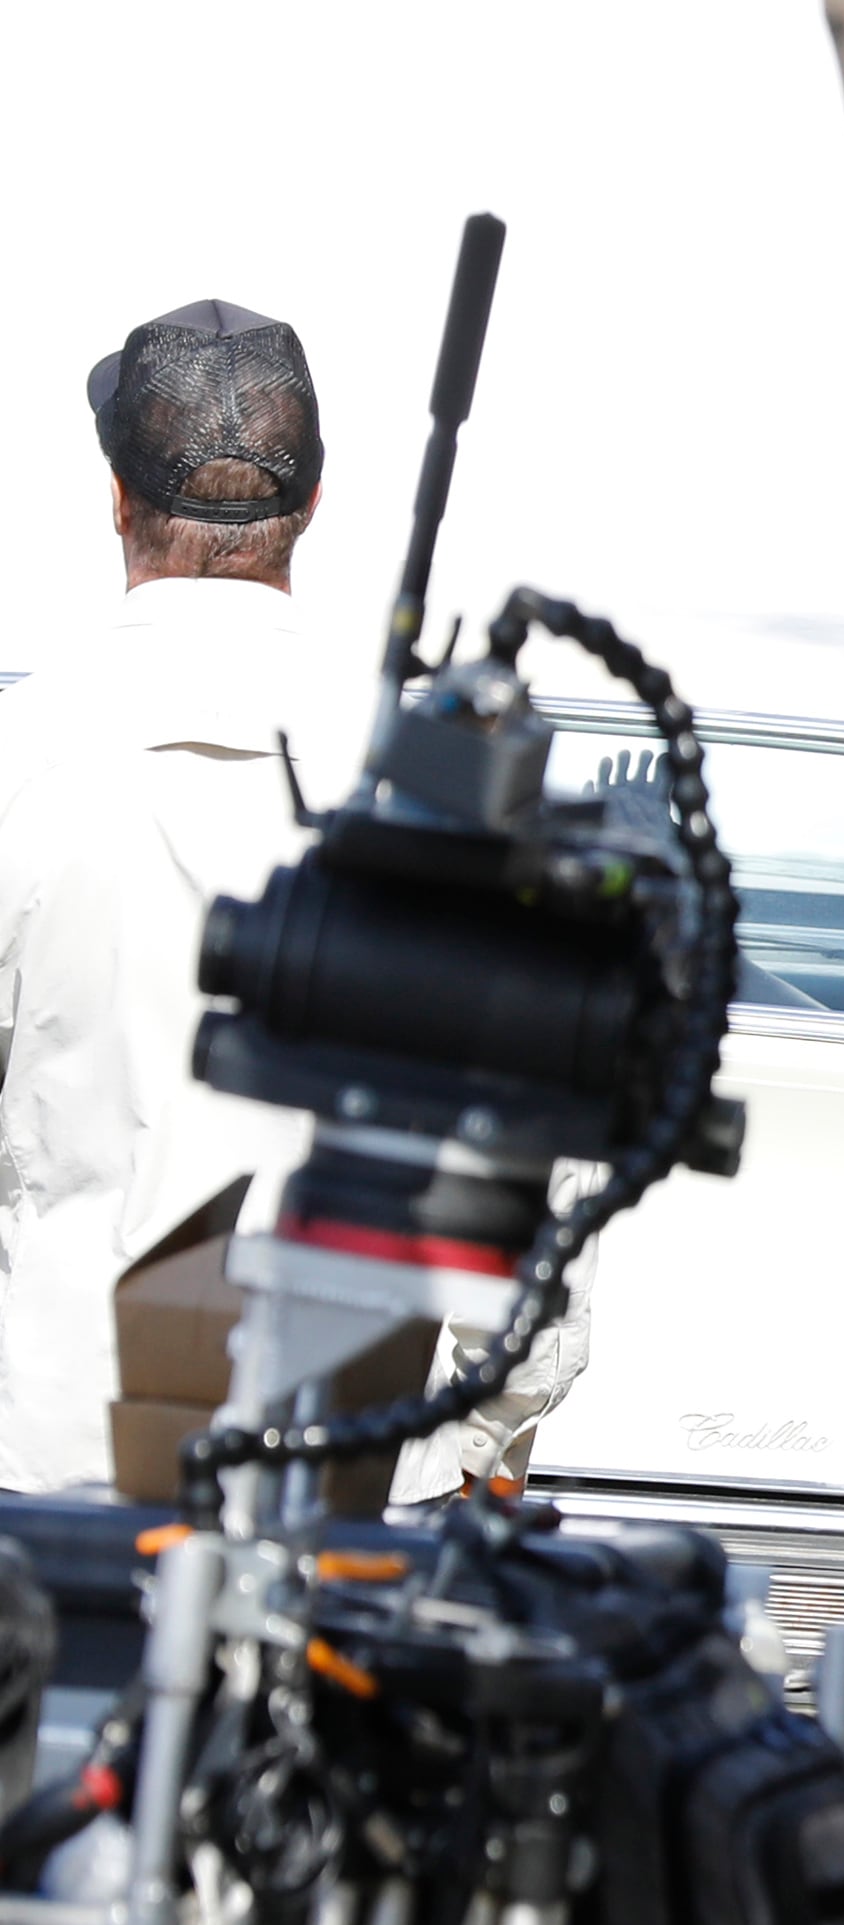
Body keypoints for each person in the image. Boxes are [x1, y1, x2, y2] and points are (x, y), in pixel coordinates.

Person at [0, 301, 341, 1492]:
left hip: (54, 1453)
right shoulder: (424, 763)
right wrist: (485, 1432)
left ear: (115, 498)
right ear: (308, 508)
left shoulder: (20, 756)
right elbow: (534, 1147)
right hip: (350, 1458)